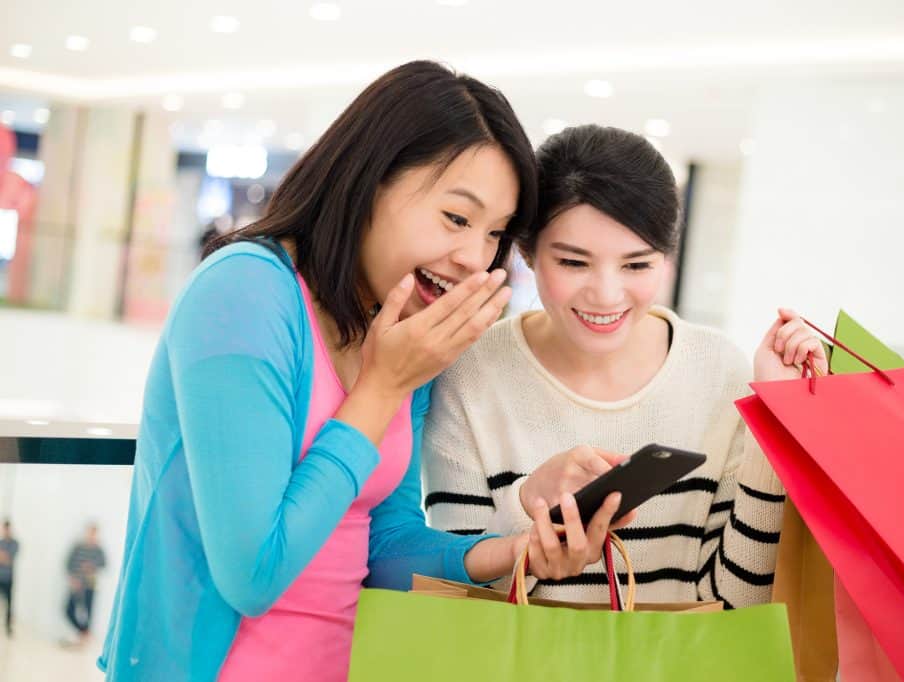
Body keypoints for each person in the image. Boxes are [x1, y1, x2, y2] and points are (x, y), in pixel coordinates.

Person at [100, 62, 625, 681]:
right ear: (369, 182)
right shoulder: (244, 292)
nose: (474, 257)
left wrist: (518, 552)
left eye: (495, 234)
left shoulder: (399, 327)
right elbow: (253, 576)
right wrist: (382, 388)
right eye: (457, 218)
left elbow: (383, 543)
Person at [423, 124, 827, 608]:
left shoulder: (719, 371)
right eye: (574, 263)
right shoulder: (469, 372)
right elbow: (459, 597)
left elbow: (738, 605)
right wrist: (528, 509)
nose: (607, 295)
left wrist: (774, 421)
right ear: (527, 251)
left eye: (637, 265)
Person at [65, 523, 107, 644]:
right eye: (90, 532)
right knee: (68, 610)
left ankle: (84, 635)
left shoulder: (98, 549)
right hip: (77, 583)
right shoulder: (78, 547)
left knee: (88, 612)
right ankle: (83, 632)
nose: (92, 535)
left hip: (90, 584)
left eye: (94, 533)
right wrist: (73, 578)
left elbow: (104, 564)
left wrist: (92, 566)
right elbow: (69, 564)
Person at [0, 519, 18, 636]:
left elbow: (9, 559)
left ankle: (8, 626)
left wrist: (3, 556)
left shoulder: (15, 543)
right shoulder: (1, 542)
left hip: (8, 578)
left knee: (9, 603)